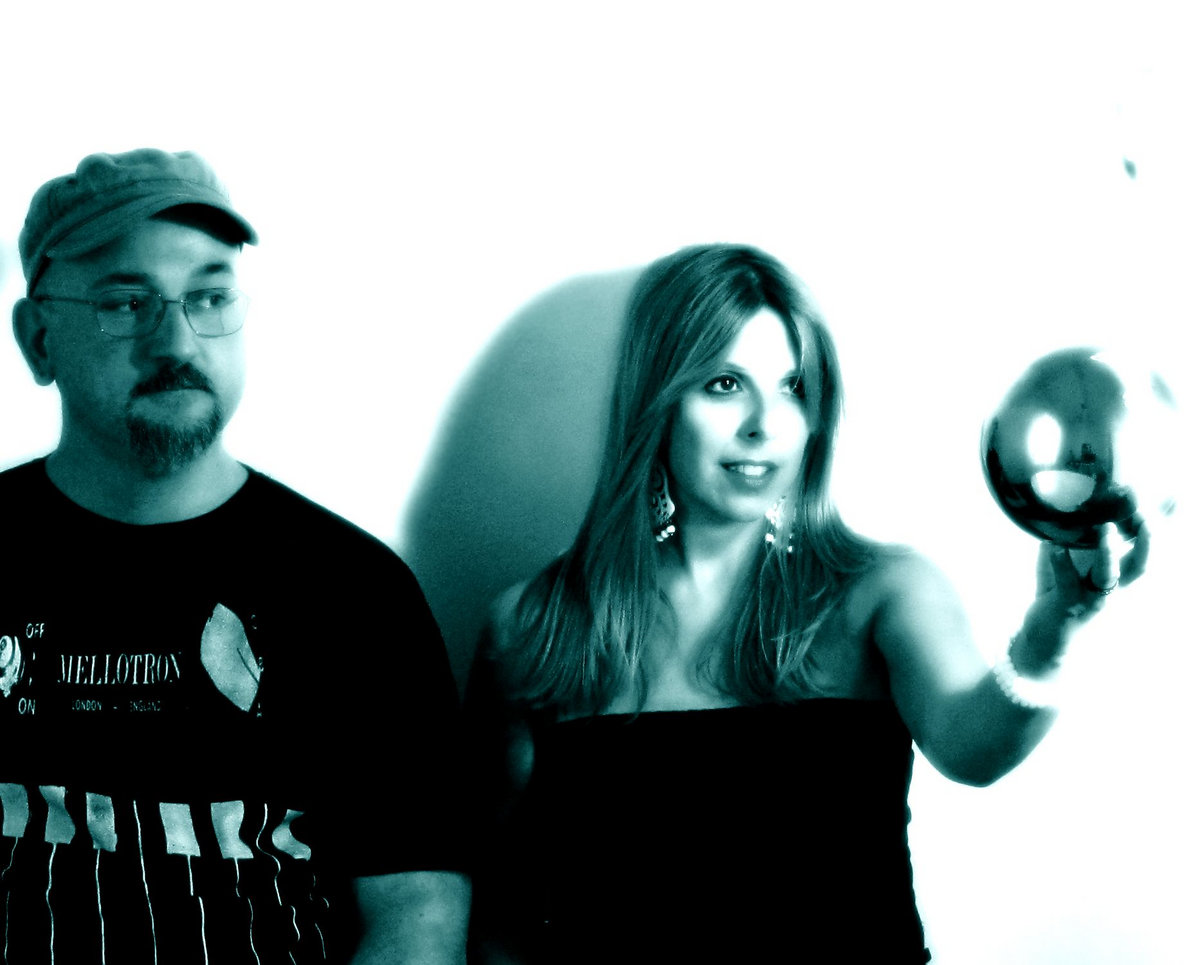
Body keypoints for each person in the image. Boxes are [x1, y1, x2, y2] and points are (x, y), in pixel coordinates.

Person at [465, 243, 1147, 963]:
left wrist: (1056, 625)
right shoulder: (533, 627)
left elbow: (976, 747)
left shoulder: (882, 592)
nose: (764, 423)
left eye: (793, 386)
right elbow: (498, 912)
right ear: (657, 401)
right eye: (725, 383)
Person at [2, 149, 470, 964]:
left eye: (209, 297)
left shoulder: (354, 589)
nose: (176, 339)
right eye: (125, 302)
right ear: (40, 338)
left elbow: (417, 910)